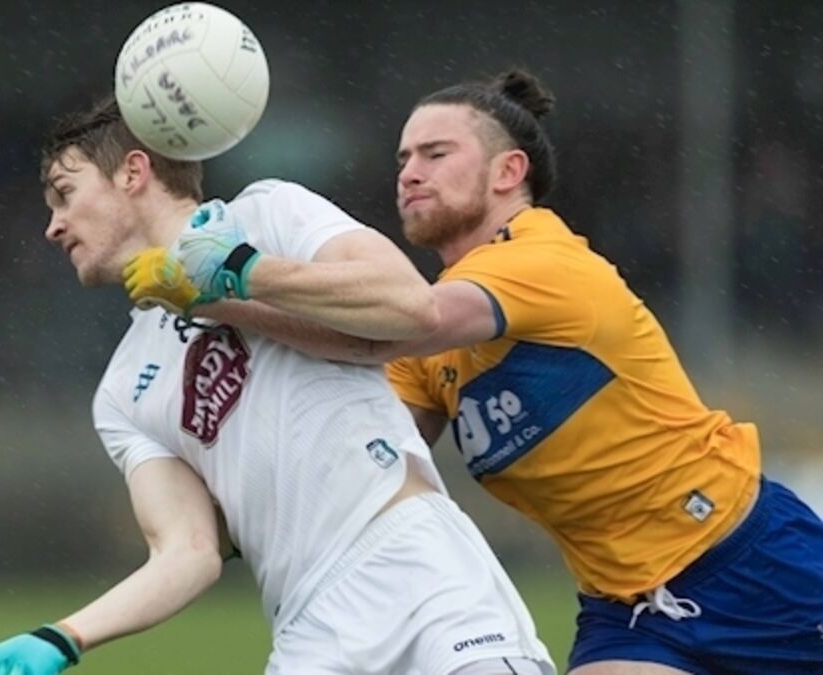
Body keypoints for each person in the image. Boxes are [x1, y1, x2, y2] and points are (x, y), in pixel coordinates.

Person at [133, 70, 823, 674]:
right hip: (631, 610)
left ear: (507, 173)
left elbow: (407, 323)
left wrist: (238, 271)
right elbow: (364, 433)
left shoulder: (541, 260)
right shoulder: (426, 338)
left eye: (435, 154)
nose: (409, 172)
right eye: (403, 158)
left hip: (752, 560)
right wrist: (226, 496)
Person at [0, 96, 555, 675]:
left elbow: (411, 305)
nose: (53, 227)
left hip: (414, 570)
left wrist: (233, 275)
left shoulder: (267, 215)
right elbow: (188, 554)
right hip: (308, 629)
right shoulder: (121, 393)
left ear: (133, 172)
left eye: (64, 194)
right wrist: (62, 636)